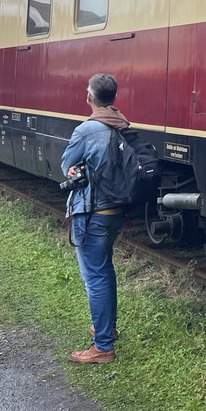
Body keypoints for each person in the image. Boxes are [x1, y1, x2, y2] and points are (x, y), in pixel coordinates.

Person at [62, 73, 130, 364]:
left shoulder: (87, 129)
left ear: (89, 97)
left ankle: (103, 346)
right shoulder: (122, 124)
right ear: (113, 98)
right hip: (114, 211)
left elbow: (67, 163)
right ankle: (107, 328)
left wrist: (73, 169)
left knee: (95, 278)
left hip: (92, 213)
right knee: (105, 271)